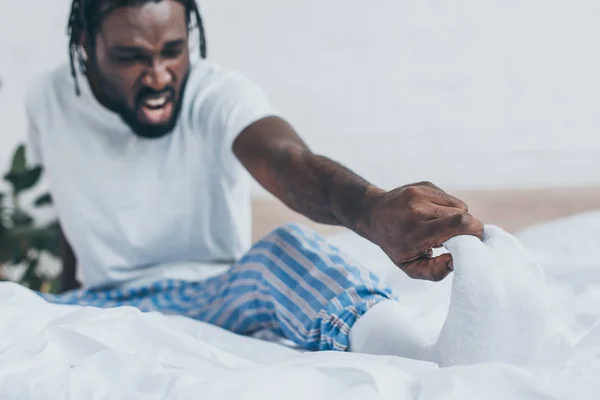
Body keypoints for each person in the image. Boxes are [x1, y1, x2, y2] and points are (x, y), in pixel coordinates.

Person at [26, 0, 483, 353]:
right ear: (85, 43)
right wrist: (65, 302)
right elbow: (74, 213)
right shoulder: (47, 98)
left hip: (216, 293)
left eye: (173, 51)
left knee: (290, 250)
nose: (159, 76)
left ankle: (418, 355)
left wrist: (370, 210)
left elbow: (287, 160)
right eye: (131, 57)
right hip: (102, 305)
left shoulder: (214, 92)